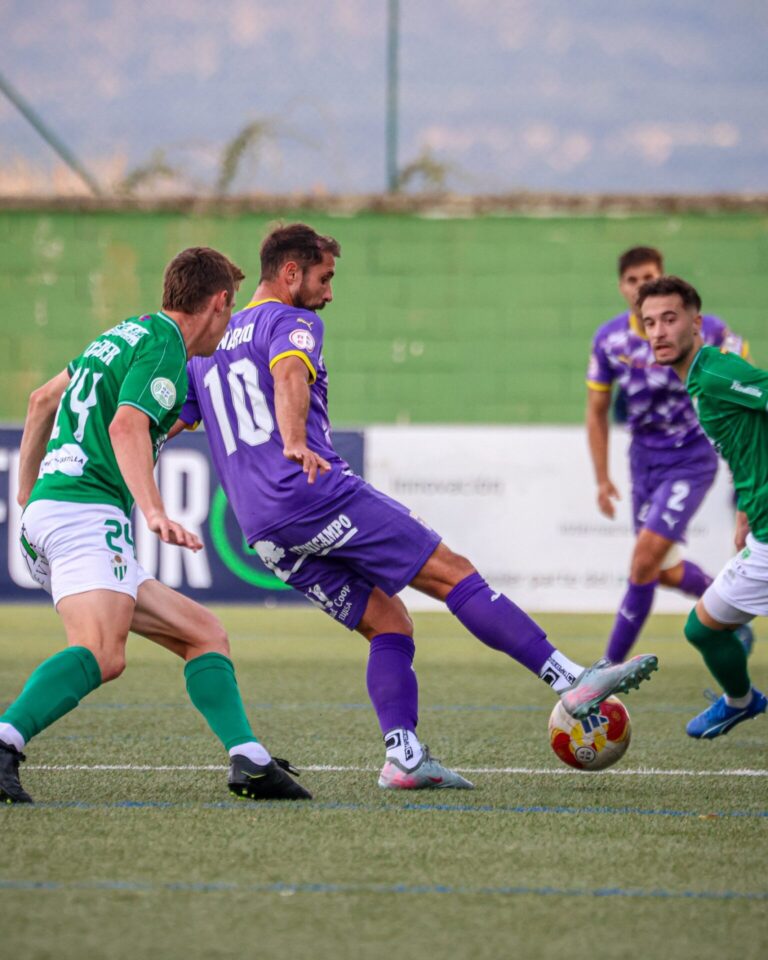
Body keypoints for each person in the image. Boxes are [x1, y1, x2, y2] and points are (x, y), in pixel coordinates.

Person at [176, 222, 659, 792]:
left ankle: (402, 755)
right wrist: (293, 439)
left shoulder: (208, 346)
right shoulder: (293, 320)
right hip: (311, 491)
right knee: (453, 574)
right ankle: (570, 679)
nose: (330, 293)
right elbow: (287, 375)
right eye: (324, 277)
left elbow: (175, 418)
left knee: (390, 620)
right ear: (289, 272)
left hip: (261, 528)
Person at [0, 247, 310, 805]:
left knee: (204, 633)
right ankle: (3, 743)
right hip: (86, 514)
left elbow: (42, 400)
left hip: (56, 513)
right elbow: (126, 427)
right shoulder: (167, 346)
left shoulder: (124, 333)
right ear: (218, 302)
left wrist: (27, 495)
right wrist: (155, 510)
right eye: (232, 305)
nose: (231, 316)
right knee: (101, 652)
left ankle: (251, 761)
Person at [586, 245, 752, 664]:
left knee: (643, 559)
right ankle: (728, 609)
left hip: (691, 457)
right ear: (622, 288)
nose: (642, 286)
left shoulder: (709, 331)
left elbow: (741, 380)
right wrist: (602, 479)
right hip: (643, 460)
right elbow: (597, 411)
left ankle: (606, 670)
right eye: (633, 280)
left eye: (649, 278)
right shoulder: (609, 341)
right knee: (660, 568)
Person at [639, 274, 766, 738]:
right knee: (702, 628)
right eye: (649, 322)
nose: (658, 331)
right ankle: (741, 701)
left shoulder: (715, 373)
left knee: (704, 629)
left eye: (669, 319)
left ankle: (741, 700)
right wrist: (746, 509)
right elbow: (747, 441)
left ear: (697, 321)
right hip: (761, 530)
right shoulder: (700, 381)